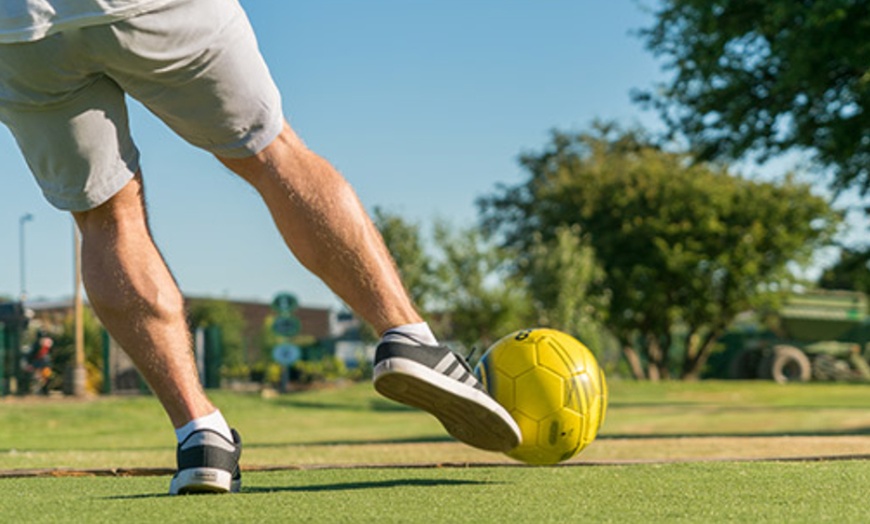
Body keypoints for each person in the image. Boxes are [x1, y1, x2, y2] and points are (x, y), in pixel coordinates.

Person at [0, 0, 521, 494]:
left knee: (103, 217)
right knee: (273, 154)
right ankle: (405, 336)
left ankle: (200, 437)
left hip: (17, 30)